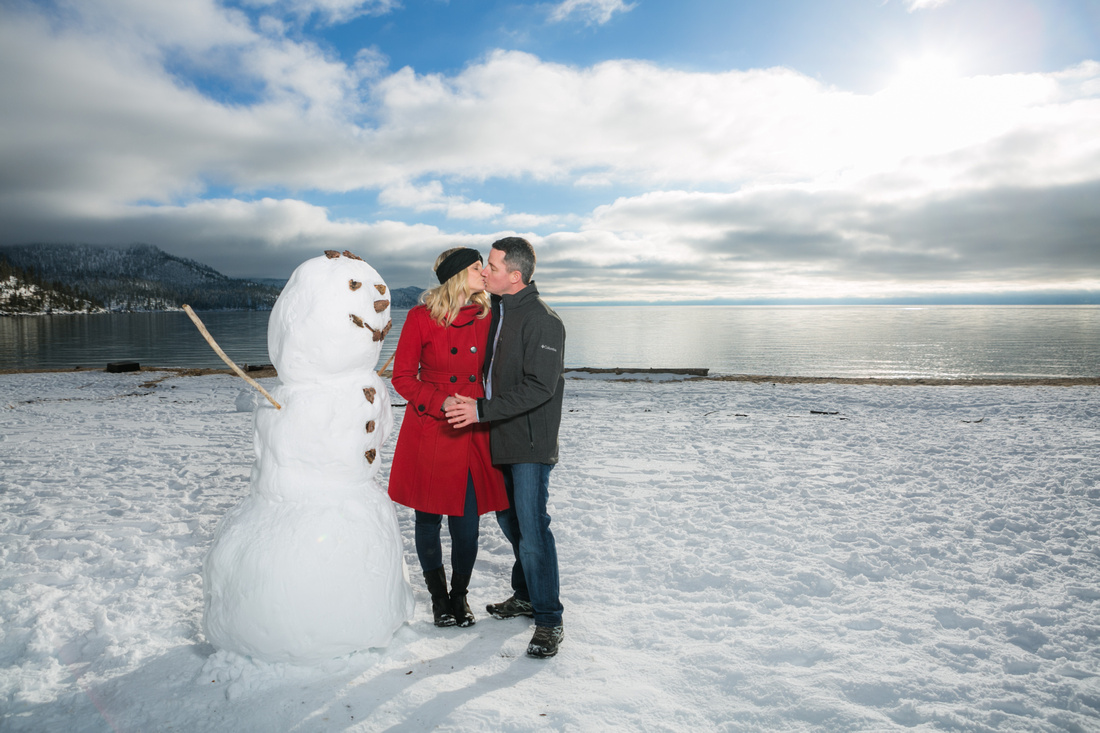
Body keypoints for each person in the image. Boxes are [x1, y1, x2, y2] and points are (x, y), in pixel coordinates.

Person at [445, 236, 566, 659]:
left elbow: (540, 387)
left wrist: (480, 410)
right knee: (512, 524)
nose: (485, 272)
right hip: (498, 436)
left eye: (492, 267)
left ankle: (549, 619)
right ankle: (526, 594)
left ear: (515, 277)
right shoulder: (496, 310)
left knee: (532, 530)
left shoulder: (544, 321)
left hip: (531, 443)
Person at [388, 247, 508, 628]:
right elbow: (402, 377)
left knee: (467, 525)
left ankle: (460, 597)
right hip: (432, 428)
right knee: (428, 520)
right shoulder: (421, 318)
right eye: (478, 267)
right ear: (458, 275)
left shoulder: (491, 316)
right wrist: (441, 402)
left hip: (471, 428)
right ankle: (439, 599)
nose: (484, 273)